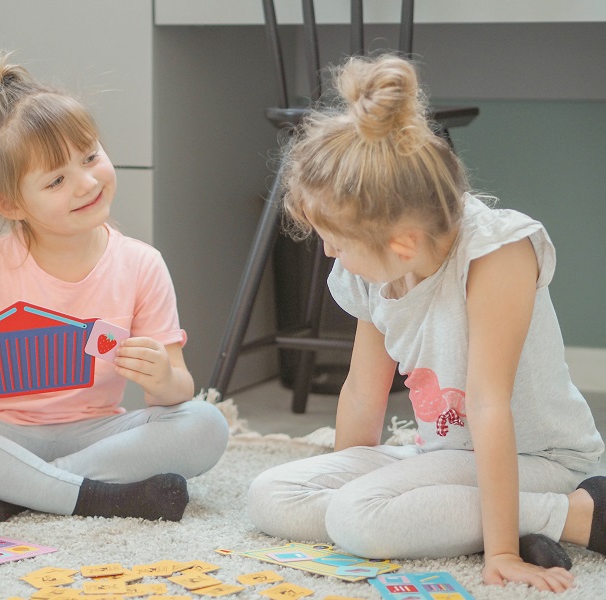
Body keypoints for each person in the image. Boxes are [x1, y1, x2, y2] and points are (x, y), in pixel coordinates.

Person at [246, 54, 605, 592]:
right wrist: (353, 475)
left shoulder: (496, 253)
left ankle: (576, 515)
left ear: (402, 243)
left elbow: (488, 404)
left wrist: (503, 553)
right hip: (443, 452)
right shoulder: (372, 269)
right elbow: (364, 391)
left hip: (540, 459)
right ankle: (468, 521)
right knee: (270, 496)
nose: (327, 252)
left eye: (337, 241)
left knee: (359, 519)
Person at [0, 47, 228, 524]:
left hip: (99, 434)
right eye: (56, 181)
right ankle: (95, 496)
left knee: (206, 425)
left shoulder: (141, 264)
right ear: (10, 206)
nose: (87, 183)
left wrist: (162, 378)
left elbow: (175, 389)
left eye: (91, 157)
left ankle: (15, 491)